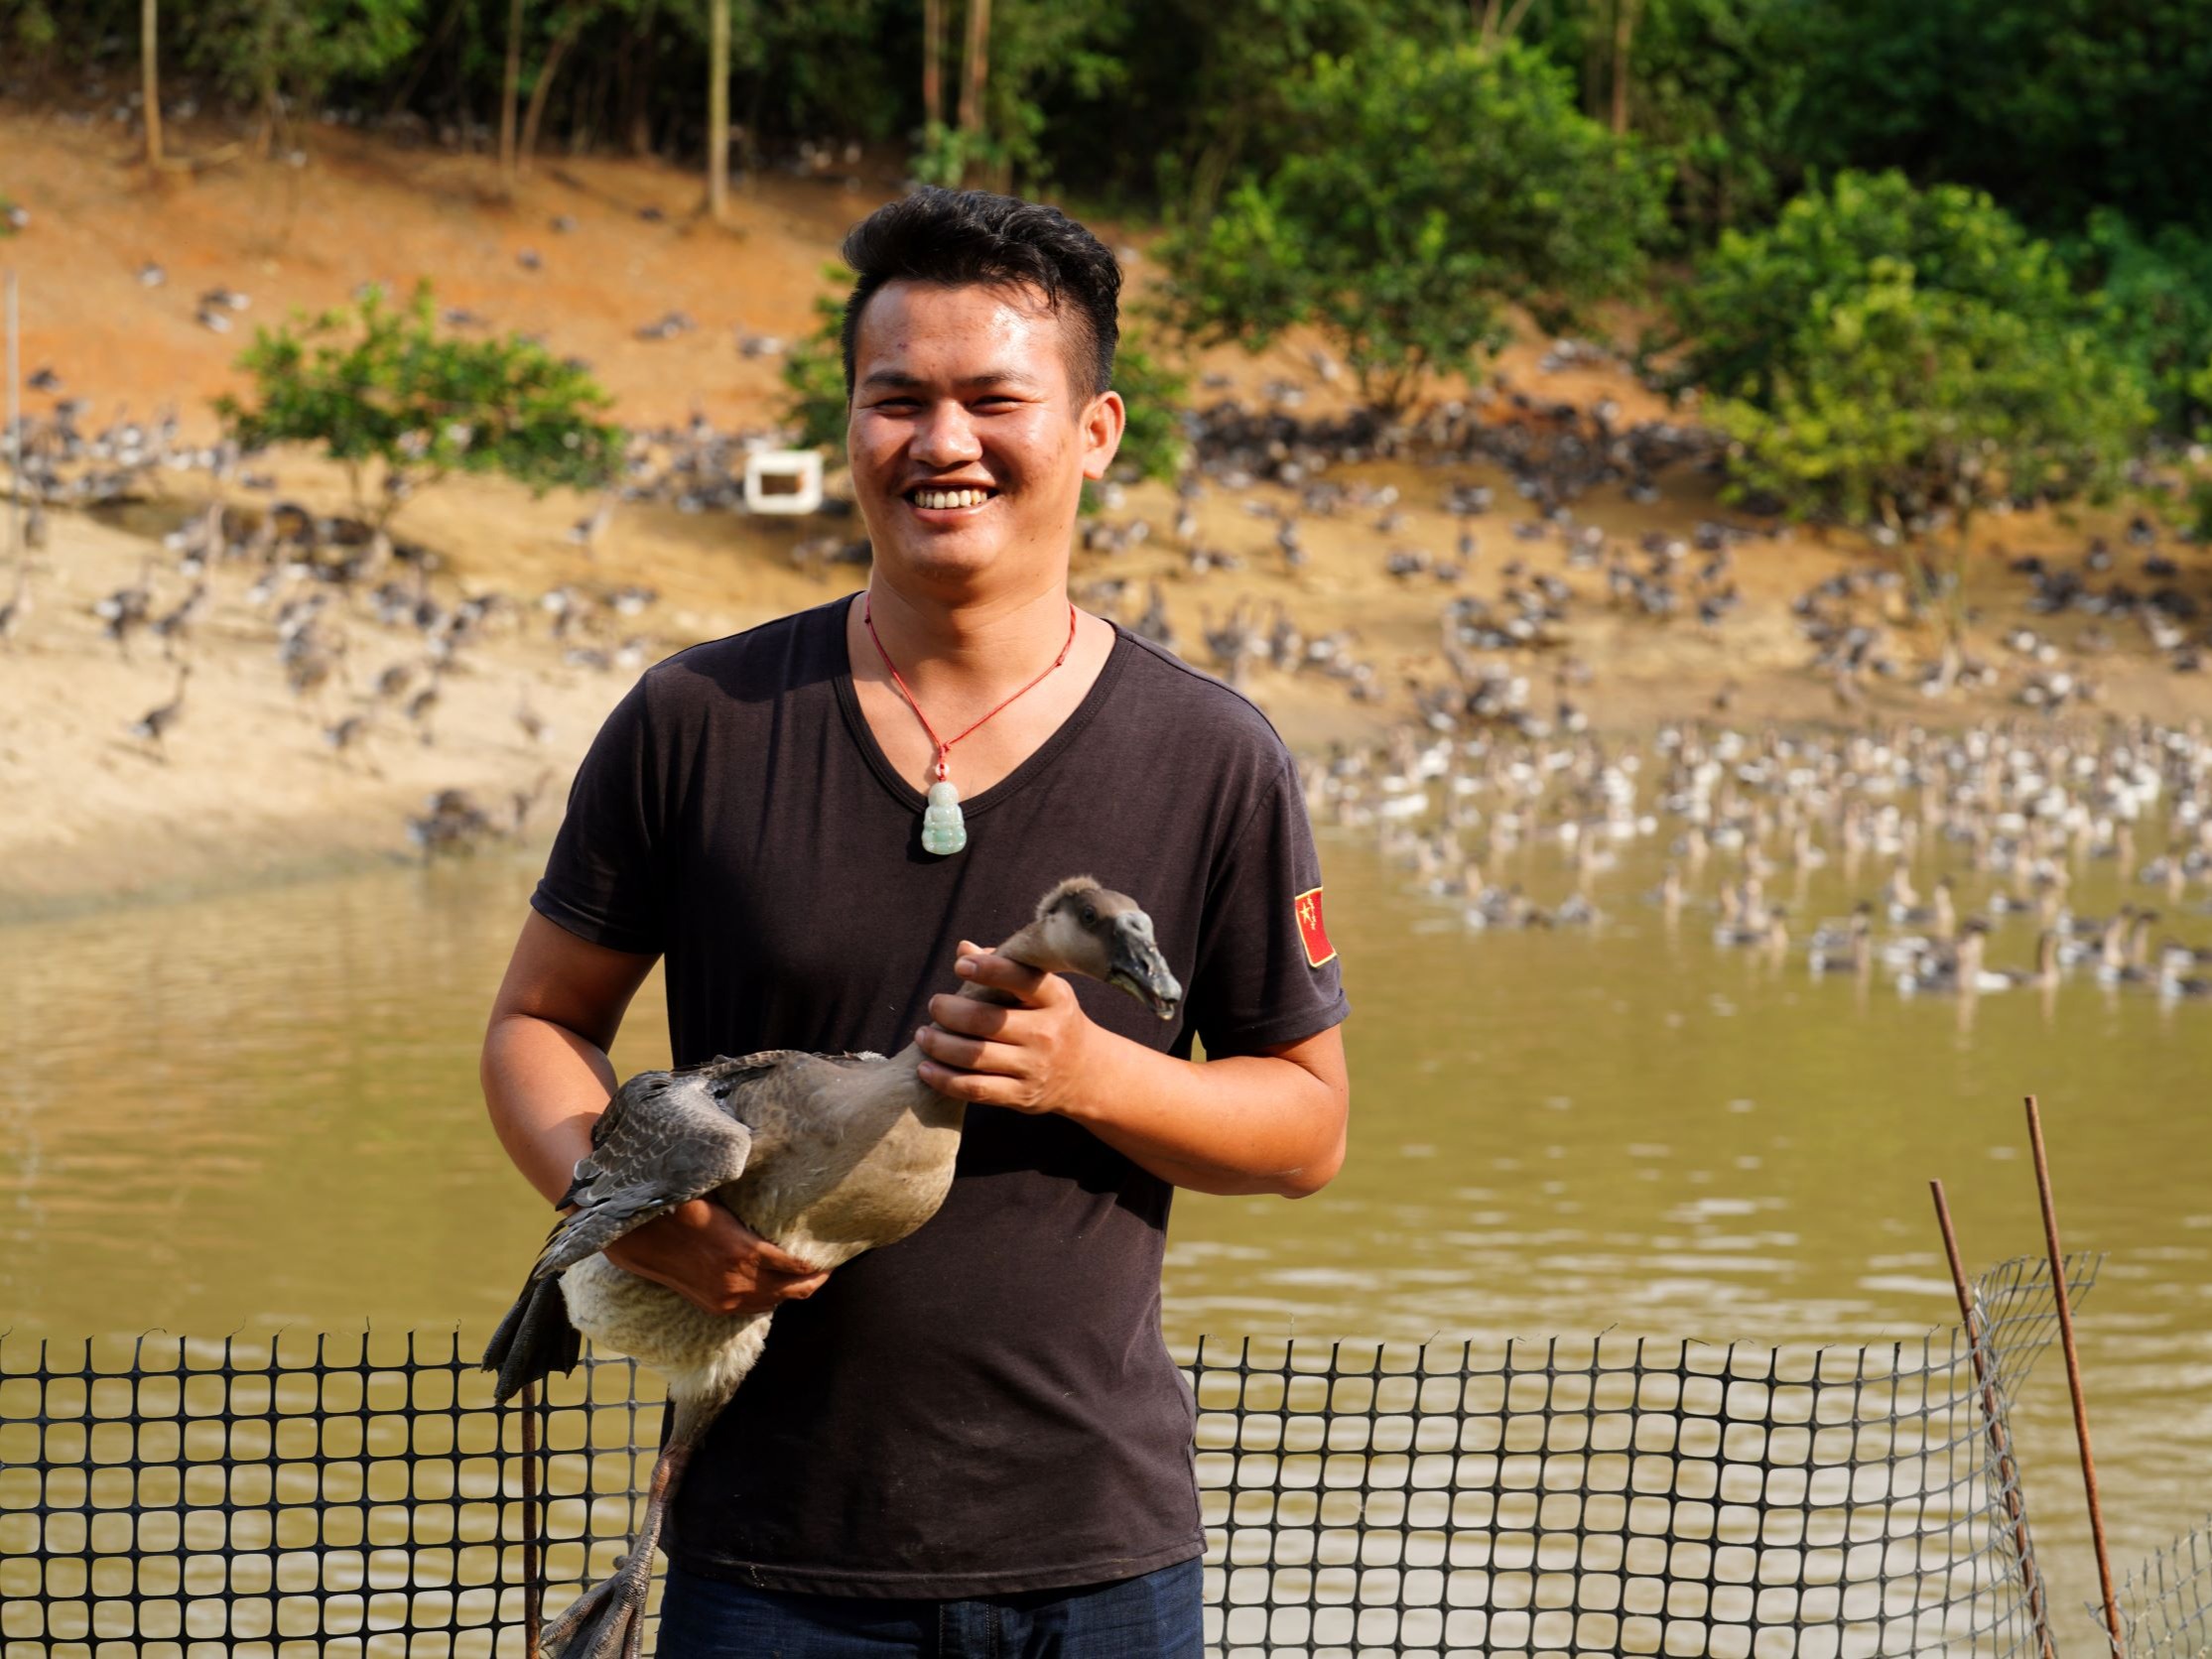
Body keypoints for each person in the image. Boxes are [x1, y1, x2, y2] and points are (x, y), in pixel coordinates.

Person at [480, 188, 1351, 1658]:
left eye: (992, 399)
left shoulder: (1215, 757)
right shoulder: (697, 718)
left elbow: (1306, 1129)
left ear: (1094, 431)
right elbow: (539, 1022)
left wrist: (1089, 1076)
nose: (940, 443)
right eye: (897, 399)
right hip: (764, 1558)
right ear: (850, 425)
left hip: (1098, 1557)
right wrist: (639, 1221)